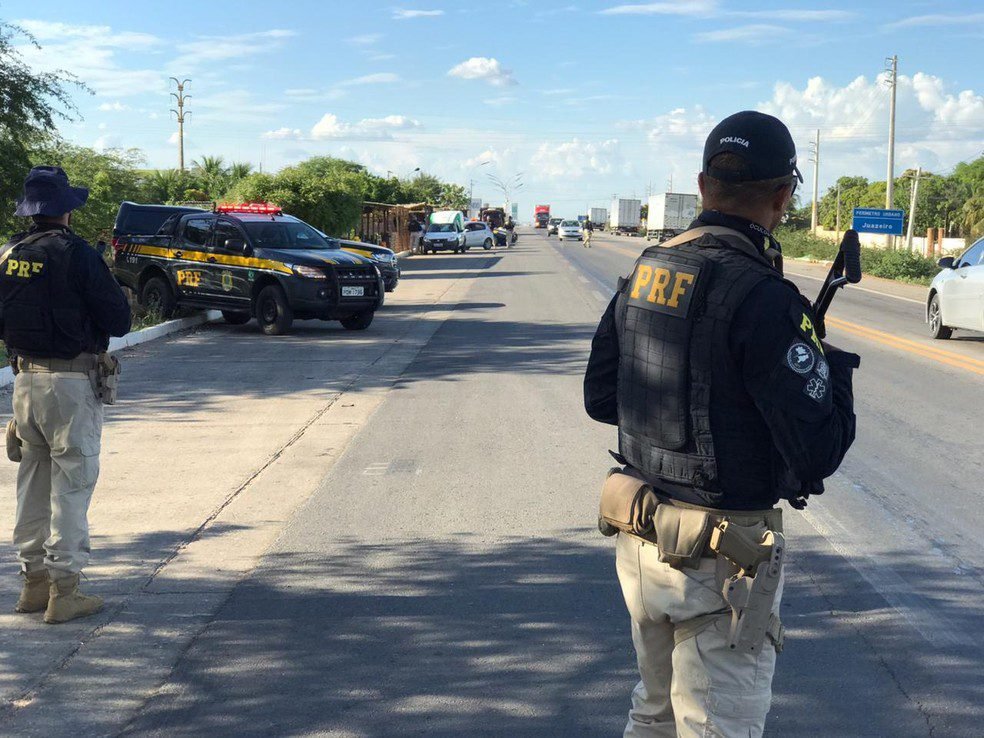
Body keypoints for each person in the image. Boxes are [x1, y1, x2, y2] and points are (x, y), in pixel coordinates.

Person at [584, 111, 860, 737]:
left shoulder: (647, 272)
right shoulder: (764, 297)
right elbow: (818, 452)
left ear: (704, 185)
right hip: (721, 566)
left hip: (642, 540)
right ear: (784, 196)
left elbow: (602, 398)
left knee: (653, 714)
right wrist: (832, 367)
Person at [1, 166, 131, 624]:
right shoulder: (77, 255)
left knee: (32, 484)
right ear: (67, 211)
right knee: (71, 487)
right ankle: (64, 591)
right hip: (71, 387)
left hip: (23, 383)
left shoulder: (9, 253)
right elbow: (119, 321)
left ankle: (32, 586)